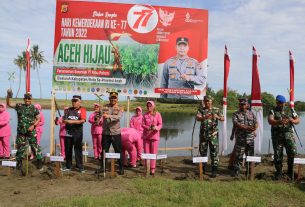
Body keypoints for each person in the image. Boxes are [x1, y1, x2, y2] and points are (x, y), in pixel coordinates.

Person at [6, 91, 43, 170]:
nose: (27, 100)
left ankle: (39, 161)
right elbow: (9, 104)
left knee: (34, 146)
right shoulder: (19, 106)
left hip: (31, 131)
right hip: (21, 131)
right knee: (20, 147)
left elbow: (38, 118)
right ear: (23, 99)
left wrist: (33, 125)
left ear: (31, 99)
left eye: (29, 98)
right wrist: (8, 96)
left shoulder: (34, 108)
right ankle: (19, 163)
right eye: (26, 98)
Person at [268, 95, 300, 179]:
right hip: (277, 136)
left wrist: (293, 120)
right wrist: (279, 121)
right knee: (278, 154)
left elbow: (298, 120)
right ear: (276, 102)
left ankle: (290, 171)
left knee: (292, 152)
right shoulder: (273, 110)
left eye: (282, 103)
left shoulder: (291, 110)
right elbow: (270, 121)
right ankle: (279, 172)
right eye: (279, 103)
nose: (281, 104)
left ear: (285, 103)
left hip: (288, 135)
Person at [96, 92, 124, 175]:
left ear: (117, 99)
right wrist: (97, 118)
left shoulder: (120, 108)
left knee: (118, 151)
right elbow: (99, 115)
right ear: (109, 98)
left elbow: (118, 117)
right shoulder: (104, 107)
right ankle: (103, 167)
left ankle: (121, 168)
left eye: (115, 98)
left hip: (116, 133)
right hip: (106, 133)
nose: (113, 99)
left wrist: (109, 116)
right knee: (104, 151)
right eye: (111, 98)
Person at [196, 95, 224, 177]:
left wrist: (217, 117)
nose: (208, 102)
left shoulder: (217, 109)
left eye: (209, 101)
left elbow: (223, 119)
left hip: (213, 135)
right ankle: (203, 169)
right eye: (206, 101)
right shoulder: (201, 110)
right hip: (203, 135)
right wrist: (204, 117)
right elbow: (197, 118)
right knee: (203, 152)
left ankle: (214, 170)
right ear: (204, 102)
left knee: (214, 153)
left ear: (212, 101)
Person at [232, 98, 258, 177]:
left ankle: (249, 171)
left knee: (250, 155)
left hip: (250, 139)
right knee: (238, 155)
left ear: (247, 105)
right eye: (241, 104)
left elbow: (256, 123)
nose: (242, 106)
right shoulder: (236, 114)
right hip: (241, 138)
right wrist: (246, 128)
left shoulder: (251, 113)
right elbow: (236, 124)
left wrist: (255, 128)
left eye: (244, 104)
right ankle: (237, 171)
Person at [61, 95, 87, 173]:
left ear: (80, 102)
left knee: (78, 150)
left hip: (77, 133)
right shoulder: (68, 110)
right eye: (73, 101)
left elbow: (82, 120)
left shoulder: (82, 110)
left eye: (75, 101)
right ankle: (68, 166)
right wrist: (63, 117)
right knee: (68, 149)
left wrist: (71, 121)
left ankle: (80, 166)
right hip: (68, 132)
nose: (74, 102)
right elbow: (64, 120)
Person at [142, 101, 163, 176]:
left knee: (153, 153)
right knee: (146, 153)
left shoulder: (158, 114)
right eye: (148, 106)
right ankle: (146, 167)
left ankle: (152, 169)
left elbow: (160, 124)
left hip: (154, 137)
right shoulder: (144, 115)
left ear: (153, 106)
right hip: (146, 137)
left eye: (150, 106)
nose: (149, 107)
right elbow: (142, 124)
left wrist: (156, 128)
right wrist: (147, 127)